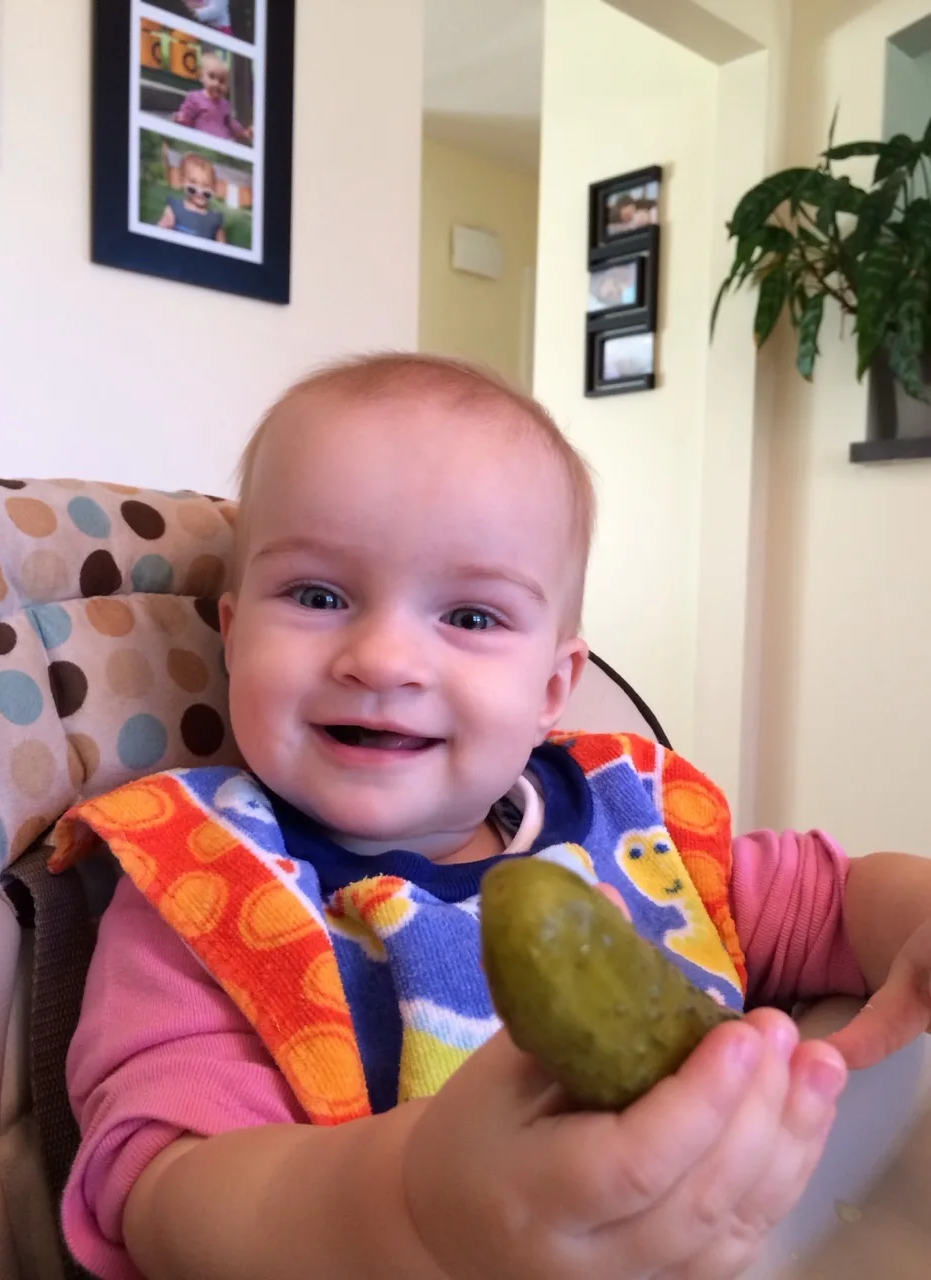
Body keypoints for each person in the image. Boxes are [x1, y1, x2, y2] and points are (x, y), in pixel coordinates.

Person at [56, 354, 931, 1280]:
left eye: (471, 617)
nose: (385, 658)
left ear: (554, 686)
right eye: (317, 597)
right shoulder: (202, 882)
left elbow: (832, 905)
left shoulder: (634, 826)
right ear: (233, 637)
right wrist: (407, 1213)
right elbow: (162, 1192)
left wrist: (912, 909)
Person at [174, 52, 253, 144]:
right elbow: (187, 115)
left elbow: (231, 124)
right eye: (212, 77)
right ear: (201, 75)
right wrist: (180, 118)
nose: (217, 83)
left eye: (222, 80)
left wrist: (242, 132)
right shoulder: (195, 98)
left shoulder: (225, 104)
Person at [157, 152, 226, 243]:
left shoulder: (215, 219)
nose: (200, 191)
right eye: (193, 185)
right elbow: (159, 231)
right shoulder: (174, 209)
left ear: (214, 189)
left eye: (206, 186)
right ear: (182, 182)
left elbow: (222, 246)